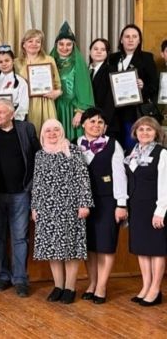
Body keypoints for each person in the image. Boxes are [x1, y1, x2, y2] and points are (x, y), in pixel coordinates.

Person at [0, 98, 40, 297]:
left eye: (1, 112)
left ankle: (20, 279)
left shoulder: (26, 129)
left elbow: (38, 157)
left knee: (20, 237)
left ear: (12, 114)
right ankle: (3, 276)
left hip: (21, 193)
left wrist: (31, 186)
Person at [31, 119, 93, 304]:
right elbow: (37, 183)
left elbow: (83, 178)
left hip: (70, 208)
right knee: (52, 249)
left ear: (62, 131)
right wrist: (34, 207)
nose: (52, 133)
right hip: (47, 209)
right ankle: (58, 286)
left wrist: (84, 204)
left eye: (56, 130)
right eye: (48, 130)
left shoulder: (73, 151)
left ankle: (70, 287)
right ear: (43, 134)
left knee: (70, 249)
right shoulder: (40, 154)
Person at [76, 108, 128, 304]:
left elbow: (120, 176)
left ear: (105, 126)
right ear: (83, 123)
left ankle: (102, 286)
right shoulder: (74, 144)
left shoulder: (113, 145)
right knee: (89, 246)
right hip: (83, 203)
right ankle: (92, 283)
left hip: (107, 201)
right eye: (92, 121)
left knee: (106, 245)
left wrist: (121, 204)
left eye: (100, 122)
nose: (96, 125)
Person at [124, 116, 167, 306]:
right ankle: (146, 286)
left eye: (149, 129)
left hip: (154, 207)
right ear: (135, 132)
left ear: (156, 133)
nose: (144, 133)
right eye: (141, 129)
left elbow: (165, 184)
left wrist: (161, 211)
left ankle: (156, 289)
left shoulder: (162, 153)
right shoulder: (132, 153)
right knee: (142, 248)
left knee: (156, 249)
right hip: (137, 207)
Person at [108, 24, 159, 150]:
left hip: (134, 112)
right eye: (127, 37)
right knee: (115, 147)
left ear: (139, 40)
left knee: (131, 145)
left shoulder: (147, 58)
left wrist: (143, 86)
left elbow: (154, 85)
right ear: (121, 40)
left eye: (134, 37)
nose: (130, 40)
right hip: (114, 111)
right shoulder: (113, 58)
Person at [49, 21, 94, 141]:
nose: (64, 48)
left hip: (71, 110)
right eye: (61, 44)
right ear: (56, 45)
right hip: (53, 107)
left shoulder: (78, 63)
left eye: (68, 44)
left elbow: (85, 90)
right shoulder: (49, 62)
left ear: (73, 45)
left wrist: (80, 112)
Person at [15, 29, 62, 135]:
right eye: (30, 41)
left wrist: (56, 93)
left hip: (45, 103)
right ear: (23, 44)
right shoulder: (16, 63)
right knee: (28, 134)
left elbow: (58, 85)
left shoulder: (49, 60)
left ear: (41, 45)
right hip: (25, 103)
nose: (34, 44)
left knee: (48, 133)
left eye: (38, 41)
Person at [88, 38, 118, 138]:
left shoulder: (111, 70)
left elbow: (111, 99)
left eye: (103, 49)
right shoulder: (85, 70)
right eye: (95, 49)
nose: (99, 52)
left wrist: (105, 121)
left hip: (105, 122)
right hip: (88, 121)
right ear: (90, 51)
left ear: (107, 53)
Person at [0, 46, 29, 121]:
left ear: (13, 61)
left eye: (7, 61)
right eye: (0, 62)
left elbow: (23, 107)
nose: (4, 64)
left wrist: (11, 121)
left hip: (13, 121)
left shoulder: (21, 82)